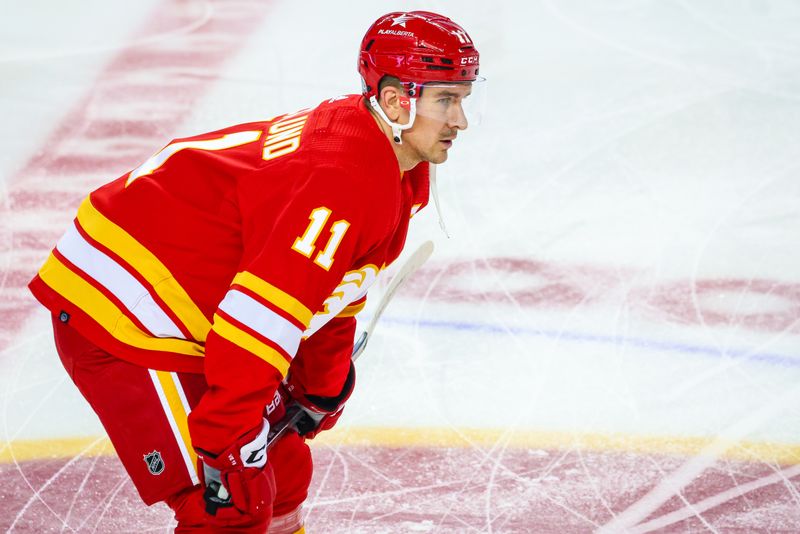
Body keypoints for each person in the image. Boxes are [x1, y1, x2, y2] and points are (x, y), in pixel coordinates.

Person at [28, 10, 483, 533]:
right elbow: (258, 322)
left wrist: (318, 386)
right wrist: (228, 438)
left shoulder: (389, 163)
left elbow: (330, 291)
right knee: (230, 499)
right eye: (445, 100)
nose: (460, 121)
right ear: (396, 99)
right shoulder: (345, 182)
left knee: (282, 472)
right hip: (121, 311)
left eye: (462, 99)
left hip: (186, 295)